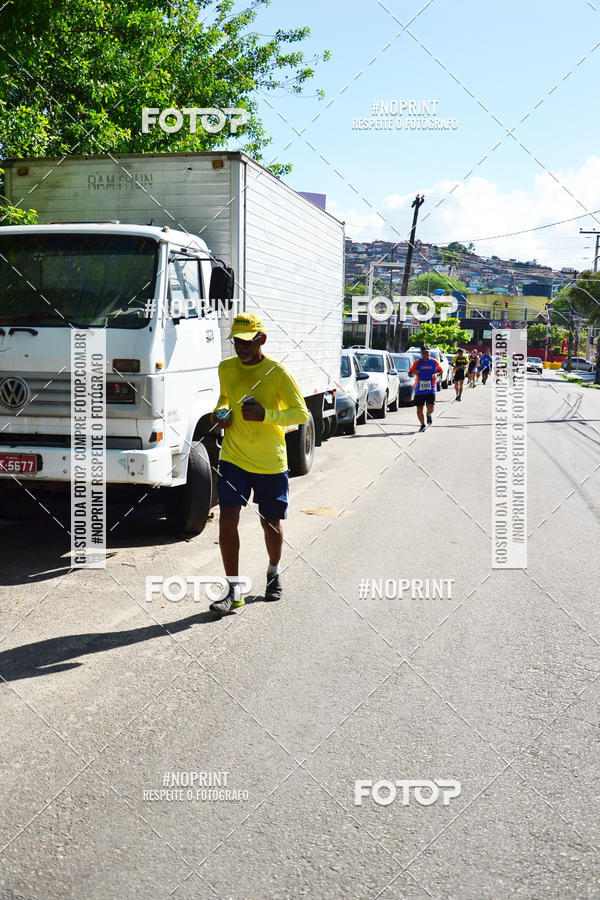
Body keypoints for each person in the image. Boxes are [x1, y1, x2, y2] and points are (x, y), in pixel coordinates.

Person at [209, 312, 309, 617]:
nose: (239, 347)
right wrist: (220, 414)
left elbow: (301, 413)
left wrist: (266, 415)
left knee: (270, 522)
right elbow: (224, 399)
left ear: (261, 339)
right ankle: (233, 590)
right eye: (236, 341)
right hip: (234, 456)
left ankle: (273, 571)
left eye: (246, 341)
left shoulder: (277, 372)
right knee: (227, 518)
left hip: (269, 461)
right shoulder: (226, 368)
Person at [408, 346, 443, 432]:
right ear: (421, 353)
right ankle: (422, 424)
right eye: (423, 352)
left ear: (429, 353)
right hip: (419, 389)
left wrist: (436, 375)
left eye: (427, 352)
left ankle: (428, 414)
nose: (425, 354)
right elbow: (409, 374)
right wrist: (413, 373)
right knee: (419, 408)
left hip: (431, 388)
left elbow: (441, 371)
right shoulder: (417, 362)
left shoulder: (434, 361)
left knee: (431, 408)